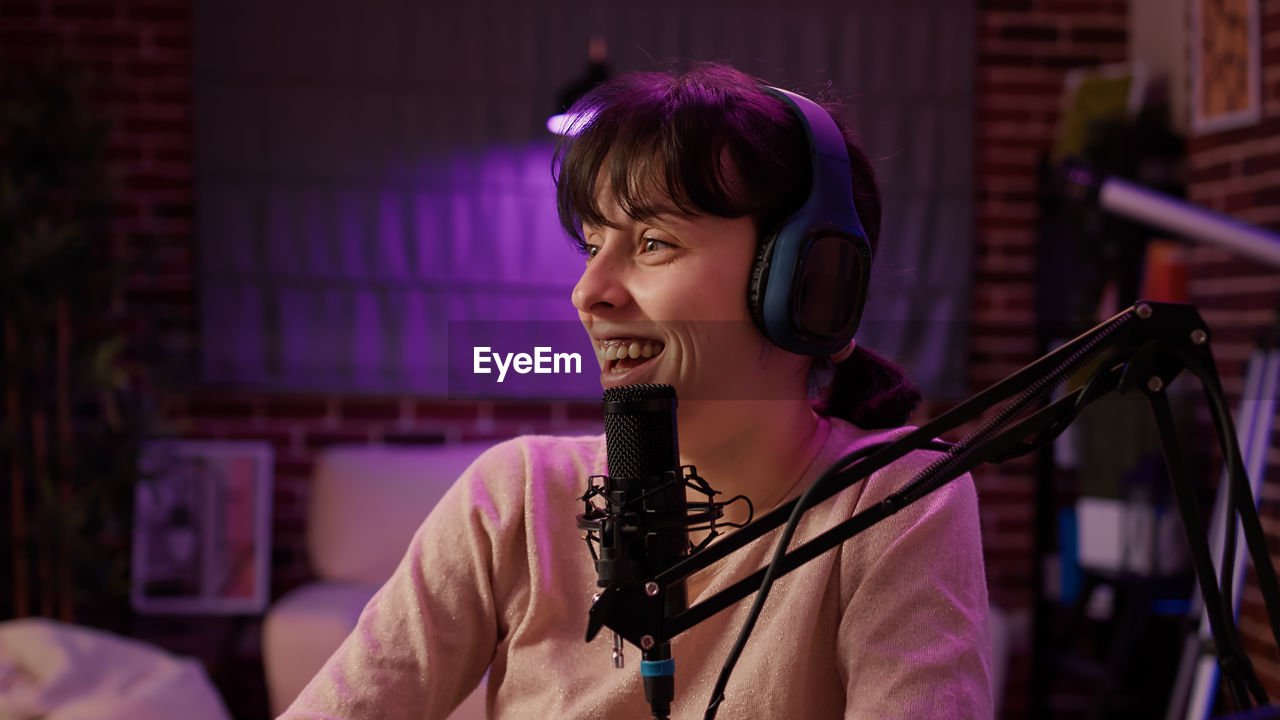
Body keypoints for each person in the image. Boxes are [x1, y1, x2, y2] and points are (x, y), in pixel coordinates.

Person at [281, 63, 991, 719]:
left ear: (811, 286)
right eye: (593, 245)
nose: (589, 292)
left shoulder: (893, 503)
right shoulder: (517, 496)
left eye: (654, 242)